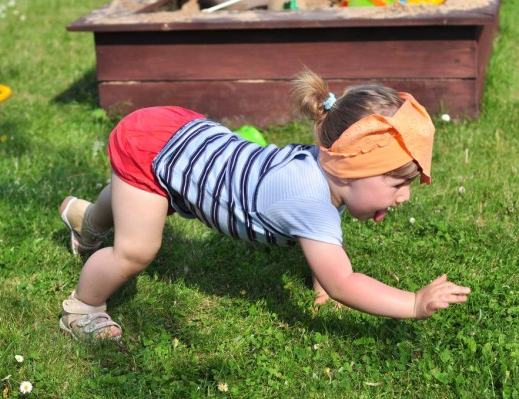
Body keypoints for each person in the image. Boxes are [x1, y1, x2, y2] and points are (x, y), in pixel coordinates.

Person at [58, 69, 471, 340]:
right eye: (398, 182)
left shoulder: (325, 168)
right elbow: (345, 282)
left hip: (178, 132)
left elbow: (327, 238)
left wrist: (321, 270)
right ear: (351, 168)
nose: (406, 195)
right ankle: (83, 307)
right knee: (136, 249)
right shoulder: (311, 199)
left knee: (140, 197)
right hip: (154, 150)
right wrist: (413, 303)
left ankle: (87, 221)